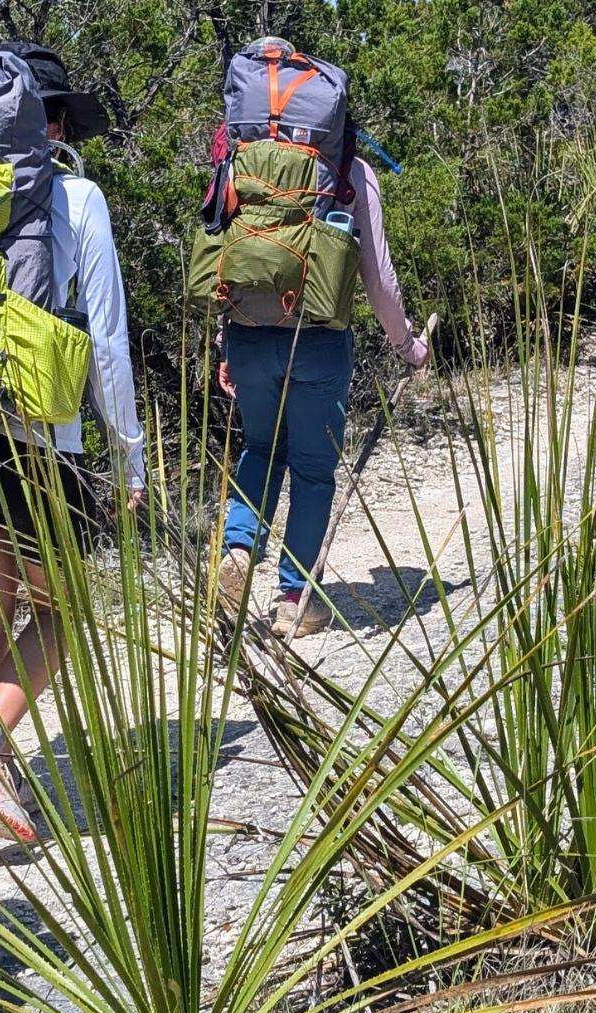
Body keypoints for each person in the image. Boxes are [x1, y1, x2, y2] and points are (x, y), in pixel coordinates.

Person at [0, 42, 146, 841]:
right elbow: (109, 342)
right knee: (65, 611)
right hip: (36, 434)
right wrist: (129, 453)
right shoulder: (75, 196)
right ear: (51, 121)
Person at [214, 84, 429, 638]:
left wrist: (225, 345)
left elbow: (227, 257)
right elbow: (378, 279)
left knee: (261, 448)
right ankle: (294, 600)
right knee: (312, 471)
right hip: (318, 340)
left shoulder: (240, 163)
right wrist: (408, 345)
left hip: (249, 333)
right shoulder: (351, 172)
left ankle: (238, 552)